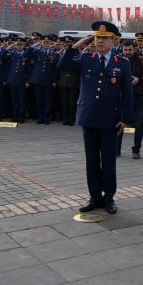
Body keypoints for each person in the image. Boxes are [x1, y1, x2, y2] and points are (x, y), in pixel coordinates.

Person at [58, 21, 133, 215]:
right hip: (89, 117)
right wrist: (80, 43)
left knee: (108, 160)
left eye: (104, 38)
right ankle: (94, 196)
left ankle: (108, 197)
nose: (100, 41)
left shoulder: (122, 63)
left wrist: (125, 118)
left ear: (113, 41)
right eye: (97, 37)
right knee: (91, 160)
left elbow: (127, 93)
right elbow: (63, 65)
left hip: (111, 119)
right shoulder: (85, 58)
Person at [117, 41, 143, 159]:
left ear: (135, 49)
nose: (127, 52)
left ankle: (136, 149)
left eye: (130, 50)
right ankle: (116, 149)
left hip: (139, 97)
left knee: (138, 125)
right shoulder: (117, 60)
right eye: (125, 50)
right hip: (121, 98)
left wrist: (139, 79)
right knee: (120, 123)